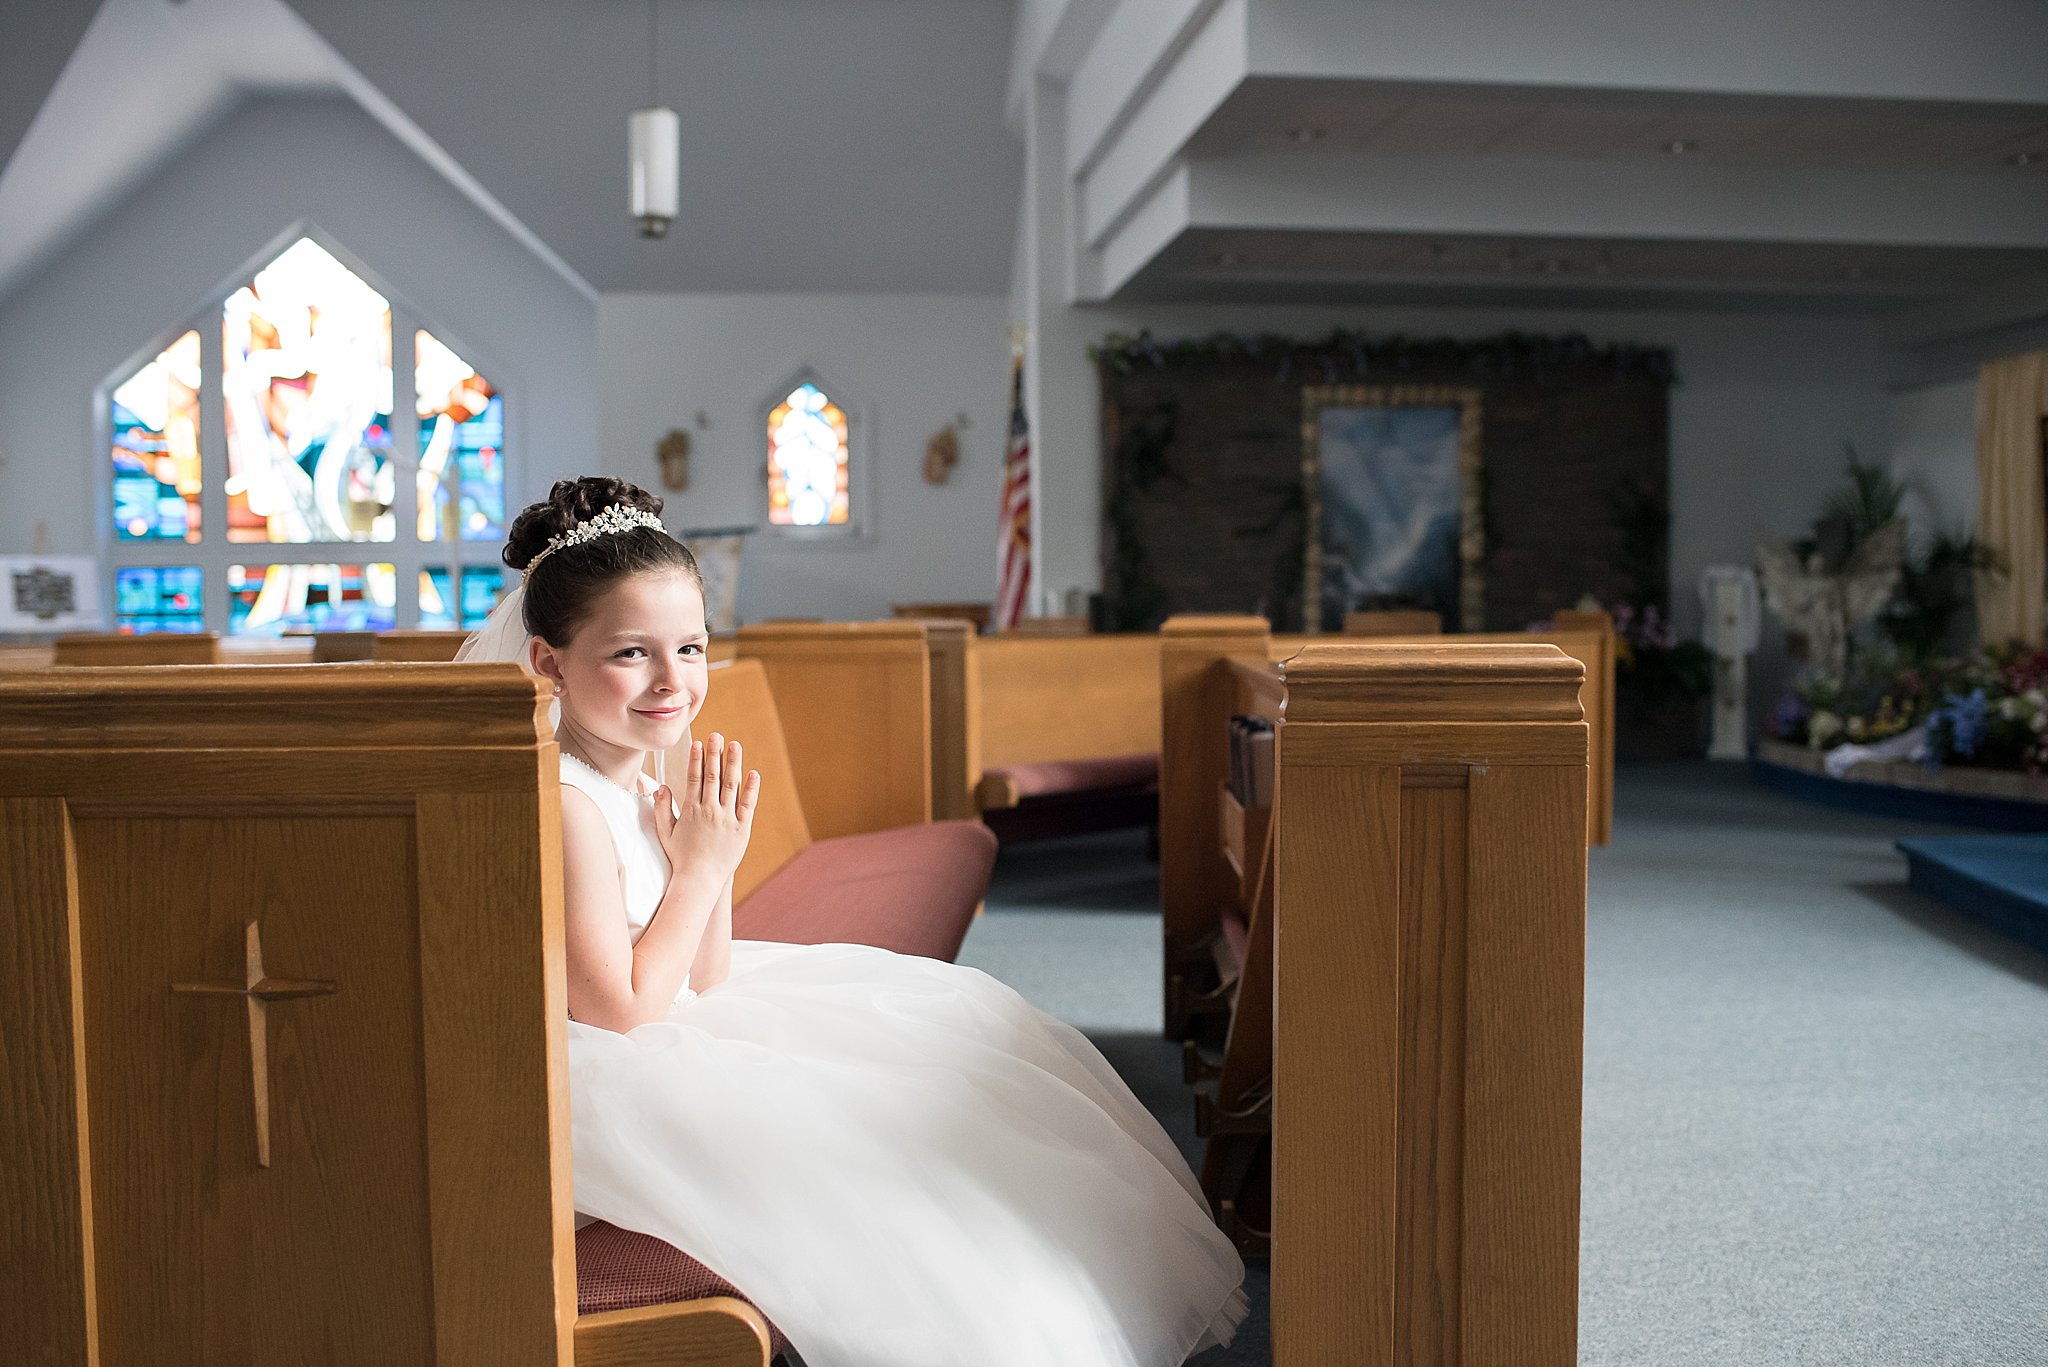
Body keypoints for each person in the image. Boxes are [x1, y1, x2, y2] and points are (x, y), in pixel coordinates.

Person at [460, 477, 1246, 1367]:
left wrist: (703, 857)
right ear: (548, 662)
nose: (673, 680)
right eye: (631, 653)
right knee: (880, 1163)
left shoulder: (641, 773)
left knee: (970, 1049)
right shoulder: (567, 803)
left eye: (690, 646)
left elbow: (706, 976)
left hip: (669, 1027)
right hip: (593, 1086)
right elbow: (623, 1014)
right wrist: (706, 868)